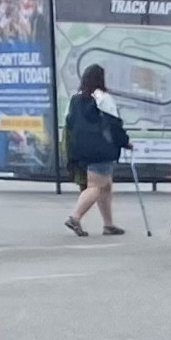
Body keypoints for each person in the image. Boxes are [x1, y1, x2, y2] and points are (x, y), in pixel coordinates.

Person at [62, 64, 129, 238]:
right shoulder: (103, 98)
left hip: (81, 149)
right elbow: (114, 124)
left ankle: (109, 224)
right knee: (96, 186)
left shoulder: (75, 98)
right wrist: (125, 142)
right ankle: (75, 217)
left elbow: (69, 123)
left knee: (105, 186)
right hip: (101, 149)